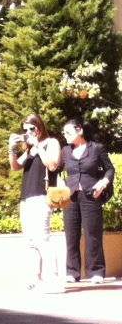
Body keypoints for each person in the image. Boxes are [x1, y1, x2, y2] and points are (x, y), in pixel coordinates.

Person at [9, 114, 63, 291]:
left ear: (39, 126)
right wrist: (12, 149)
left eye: (32, 128)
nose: (29, 132)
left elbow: (53, 165)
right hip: (26, 196)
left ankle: (53, 277)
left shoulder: (50, 143)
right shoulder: (29, 150)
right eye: (25, 130)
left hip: (42, 195)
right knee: (30, 240)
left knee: (43, 237)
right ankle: (34, 277)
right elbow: (15, 167)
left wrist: (38, 146)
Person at [60, 118, 115, 284]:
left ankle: (96, 271)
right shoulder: (65, 151)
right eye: (64, 133)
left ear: (80, 131)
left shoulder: (96, 148)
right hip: (71, 197)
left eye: (68, 132)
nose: (65, 136)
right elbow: (55, 170)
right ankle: (72, 272)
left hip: (92, 195)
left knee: (93, 234)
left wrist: (103, 183)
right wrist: (60, 183)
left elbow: (109, 169)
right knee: (71, 235)